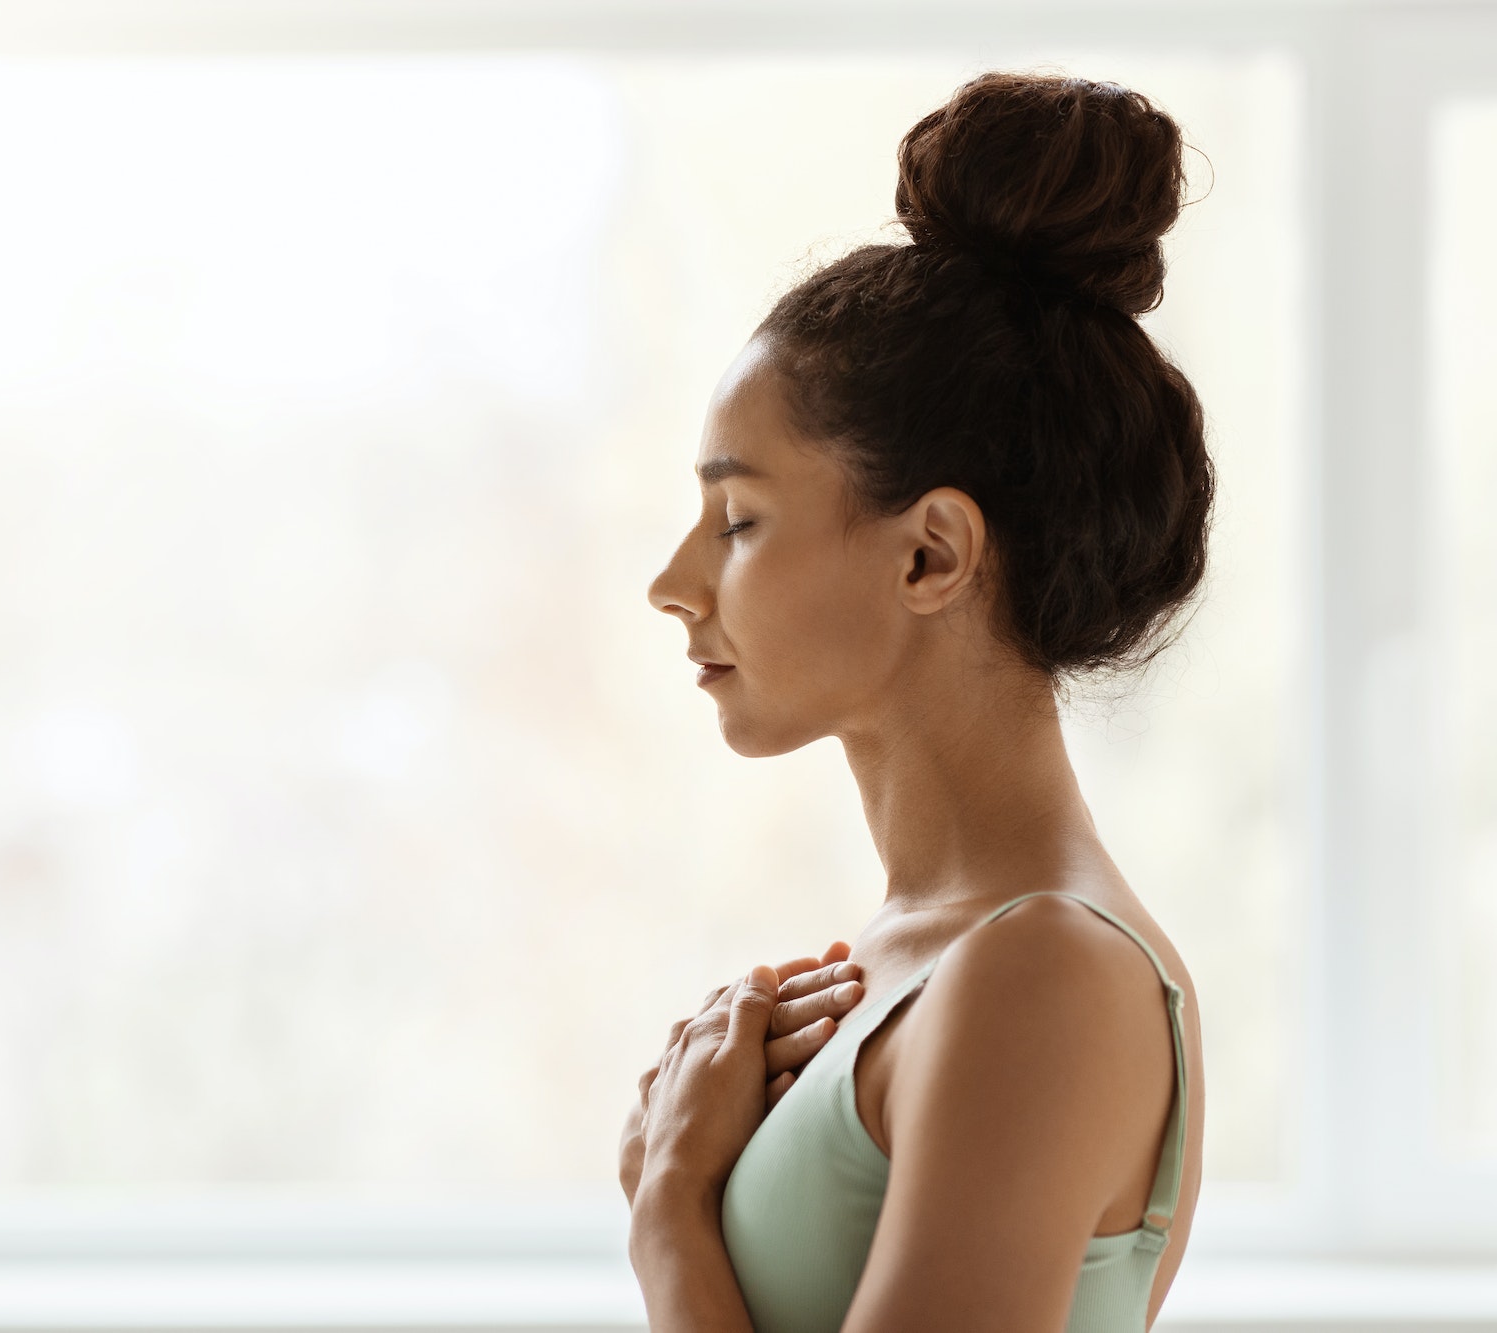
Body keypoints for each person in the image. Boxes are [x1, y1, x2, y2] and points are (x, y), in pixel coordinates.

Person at [616, 72, 1212, 1332]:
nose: (672, 583)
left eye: (737, 519)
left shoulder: (1044, 971)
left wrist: (669, 1205)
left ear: (930, 554)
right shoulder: (927, 957)